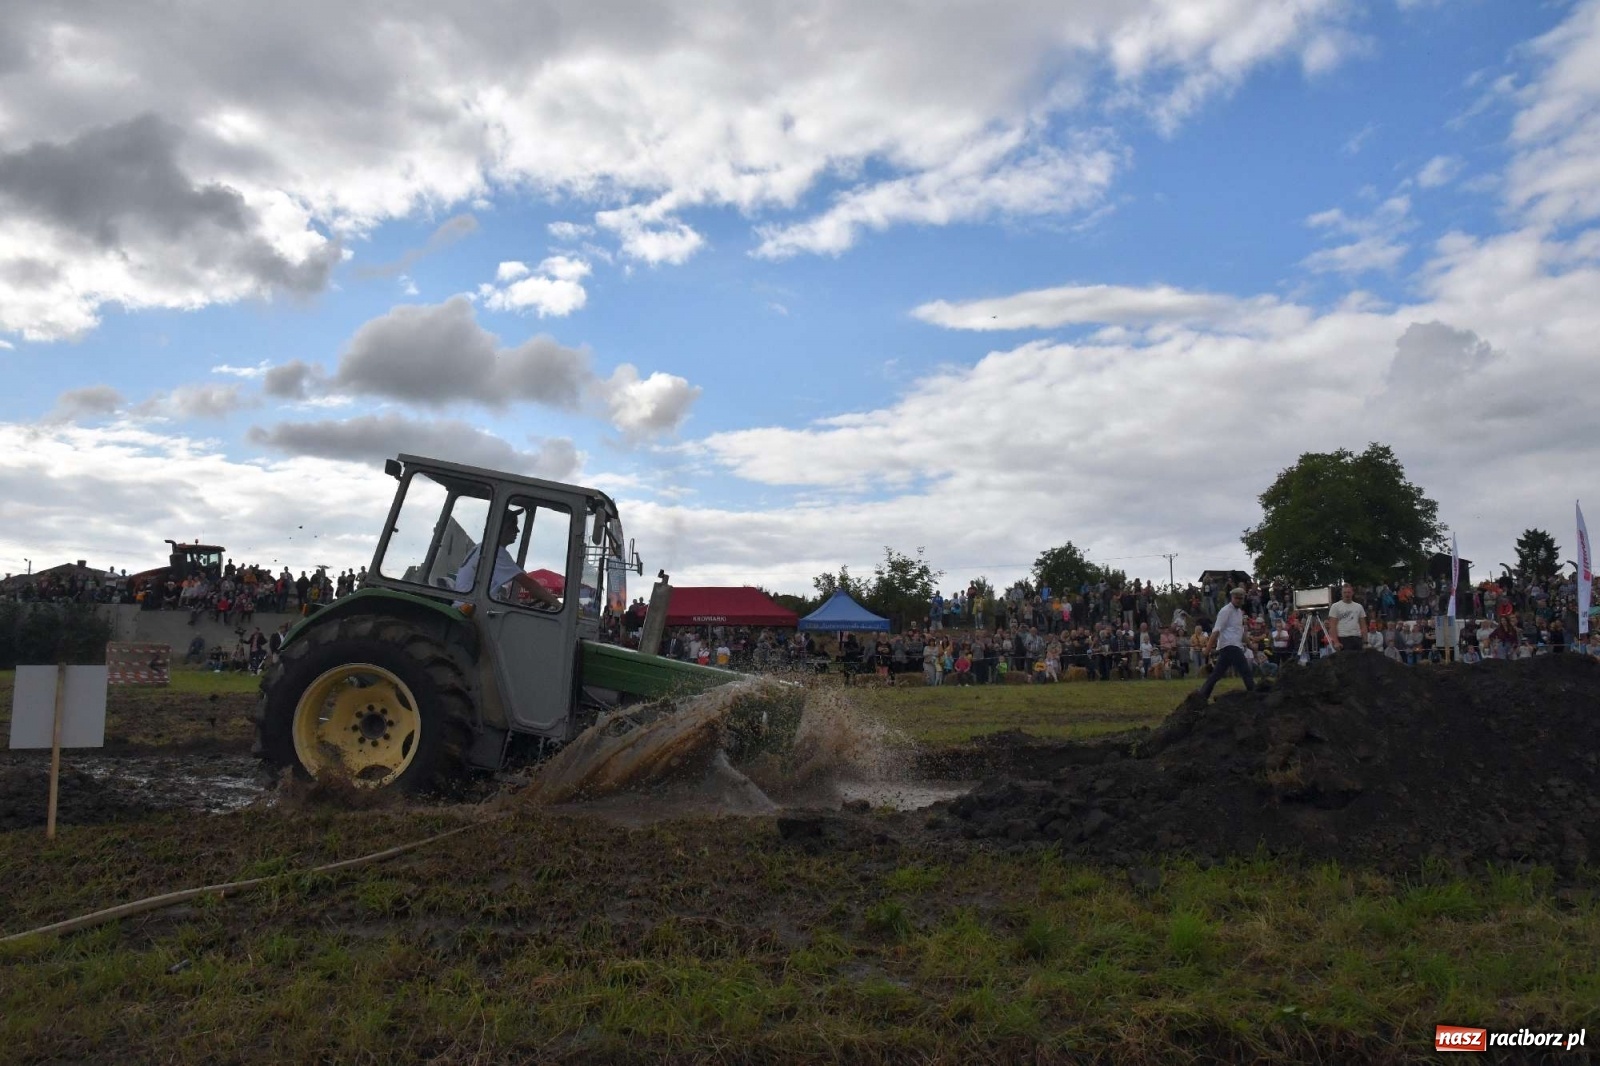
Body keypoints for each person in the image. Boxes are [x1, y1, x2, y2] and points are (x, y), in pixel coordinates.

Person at [453, 510, 559, 610]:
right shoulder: (494, 552)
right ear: (500, 527)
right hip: (472, 608)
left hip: (472, 605)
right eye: (513, 525)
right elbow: (527, 583)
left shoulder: (482, 547)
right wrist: (558, 604)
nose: (517, 530)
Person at [1194, 587, 1256, 702]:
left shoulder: (1238, 613)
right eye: (1236, 598)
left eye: (1240, 598)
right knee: (1246, 671)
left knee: (1216, 674)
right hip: (1229, 646)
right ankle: (1254, 696)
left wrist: (1250, 645)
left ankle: (1202, 695)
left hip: (1233, 646)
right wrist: (1207, 649)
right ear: (1232, 598)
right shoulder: (1225, 611)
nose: (1238, 600)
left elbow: (1240, 632)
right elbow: (1216, 631)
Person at [1328, 583, 1367, 652]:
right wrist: (1336, 642)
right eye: (1345, 592)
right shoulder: (1335, 606)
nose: (1347, 594)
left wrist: (1365, 642)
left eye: (1349, 592)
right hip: (1343, 639)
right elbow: (1332, 626)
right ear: (1342, 593)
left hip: (1356, 639)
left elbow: (1363, 626)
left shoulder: (1359, 607)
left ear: (1352, 593)